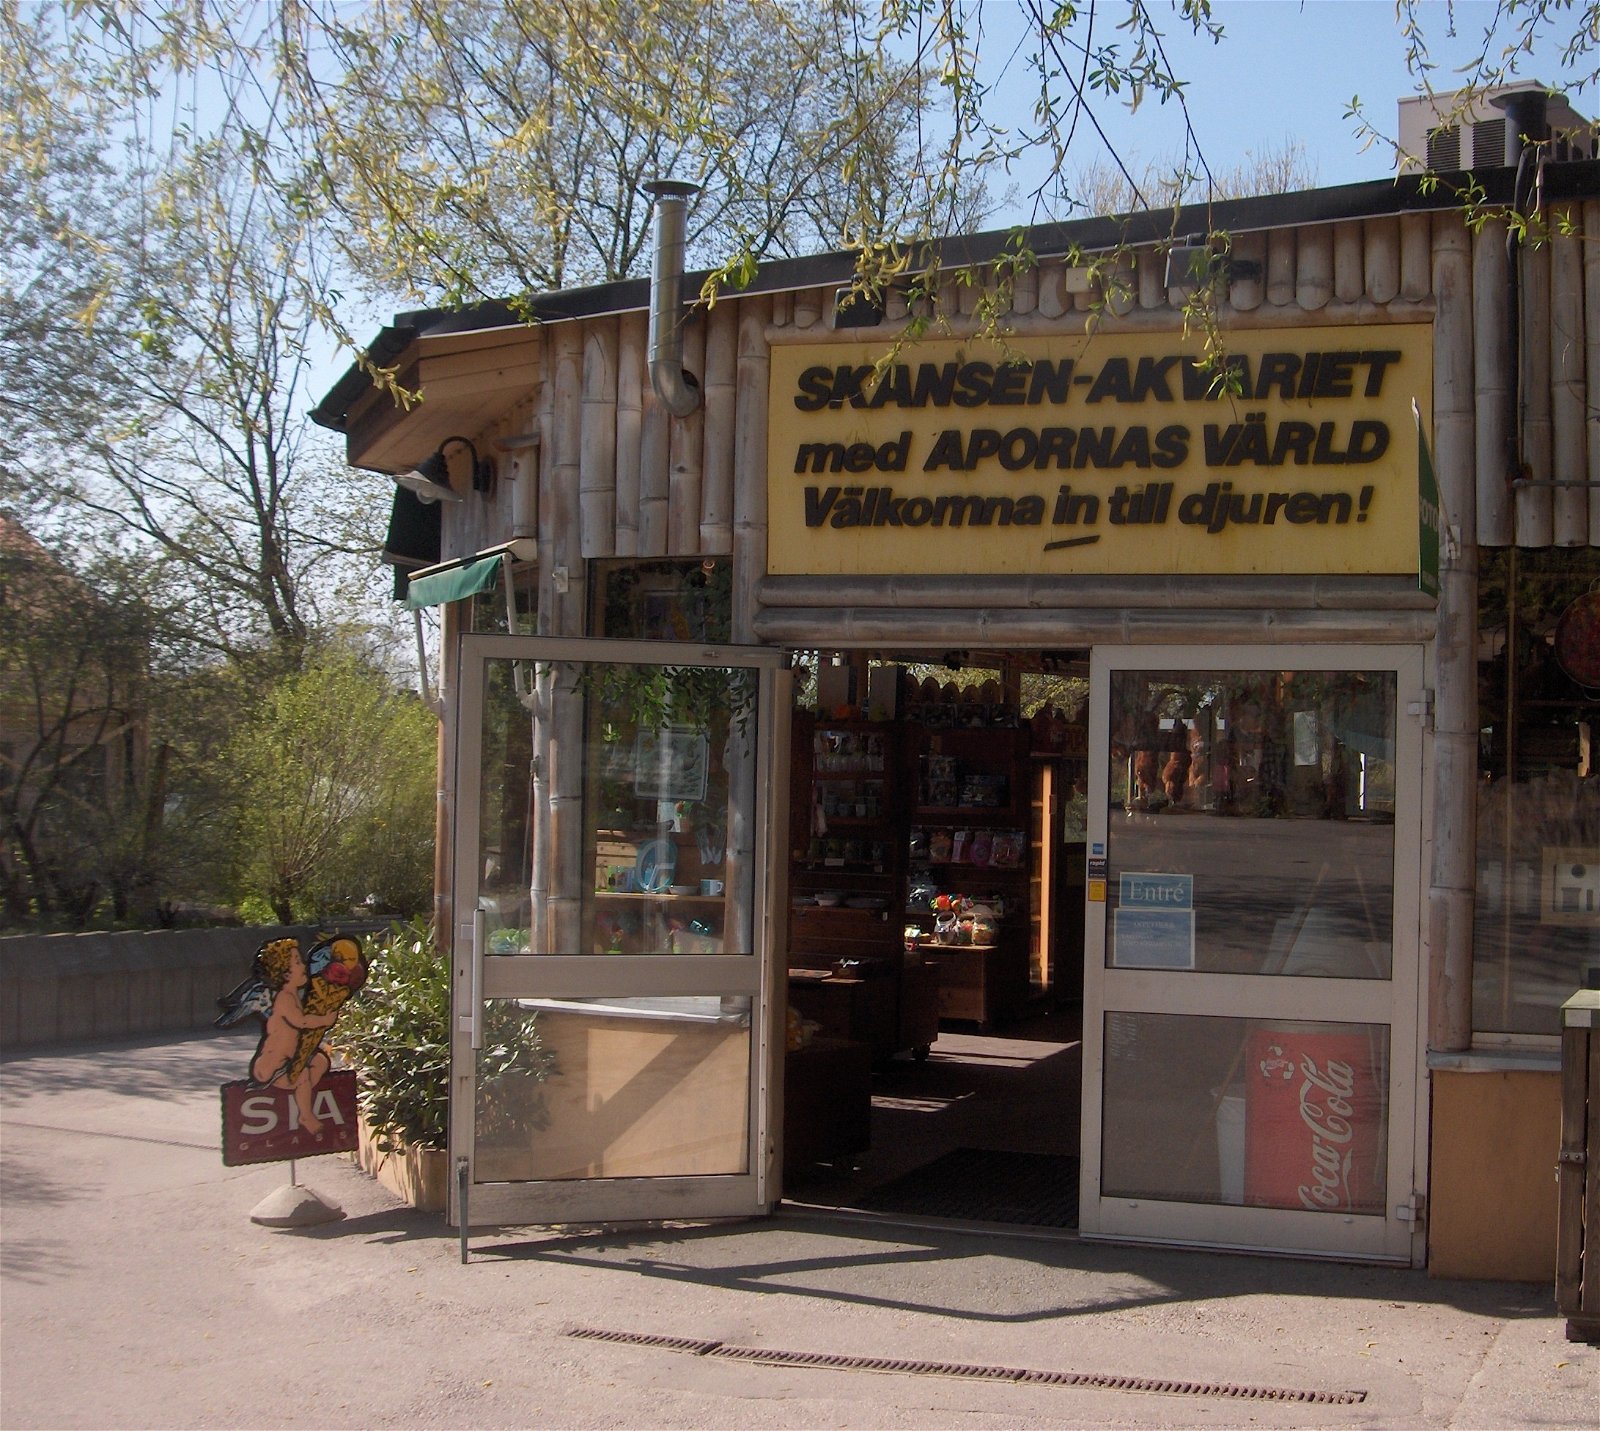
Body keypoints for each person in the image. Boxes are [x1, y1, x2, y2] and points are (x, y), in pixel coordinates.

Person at [249, 939, 338, 1135]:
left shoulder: (295, 995)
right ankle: (305, 1114)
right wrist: (324, 1020)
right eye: (297, 962)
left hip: (290, 1061)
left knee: (321, 1061)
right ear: (285, 973)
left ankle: (299, 1095)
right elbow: (302, 1022)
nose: (303, 966)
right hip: (271, 1067)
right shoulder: (284, 999)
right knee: (302, 1075)